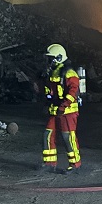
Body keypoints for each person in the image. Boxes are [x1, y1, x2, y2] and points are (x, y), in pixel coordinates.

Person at [41, 43, 82, 174]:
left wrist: (63, 106)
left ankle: (75, 164)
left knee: (68, 137)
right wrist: (47, 103)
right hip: (54, 110)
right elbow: (49, 90)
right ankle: (49, 163)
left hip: (67, 112)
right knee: (48, 134)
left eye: (51, 58)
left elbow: (73, 92)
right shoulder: (52, 72)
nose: (49, 61)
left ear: (59, 58)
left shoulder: (69, 73)